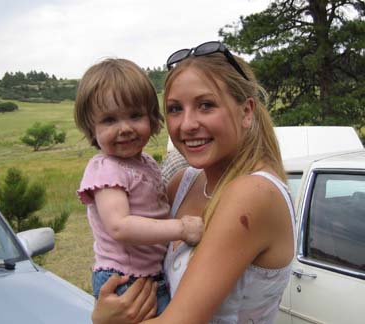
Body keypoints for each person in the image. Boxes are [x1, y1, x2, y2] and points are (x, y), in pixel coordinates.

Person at [91, 41, 296, 324]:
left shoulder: (253, 193)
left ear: (246, 111)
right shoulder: (181, 183)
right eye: (175, 109)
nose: (187, 124)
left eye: (206, 105)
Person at [74, 58, 204, 315]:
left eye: (135, 116)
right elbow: (120, 226)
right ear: (92, 127)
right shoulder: (106, 169)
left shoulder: (144, 163)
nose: (125, 128)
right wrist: (181, 228)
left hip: (148, 274)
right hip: (123, 279)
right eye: (110, 120)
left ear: (152, 118)